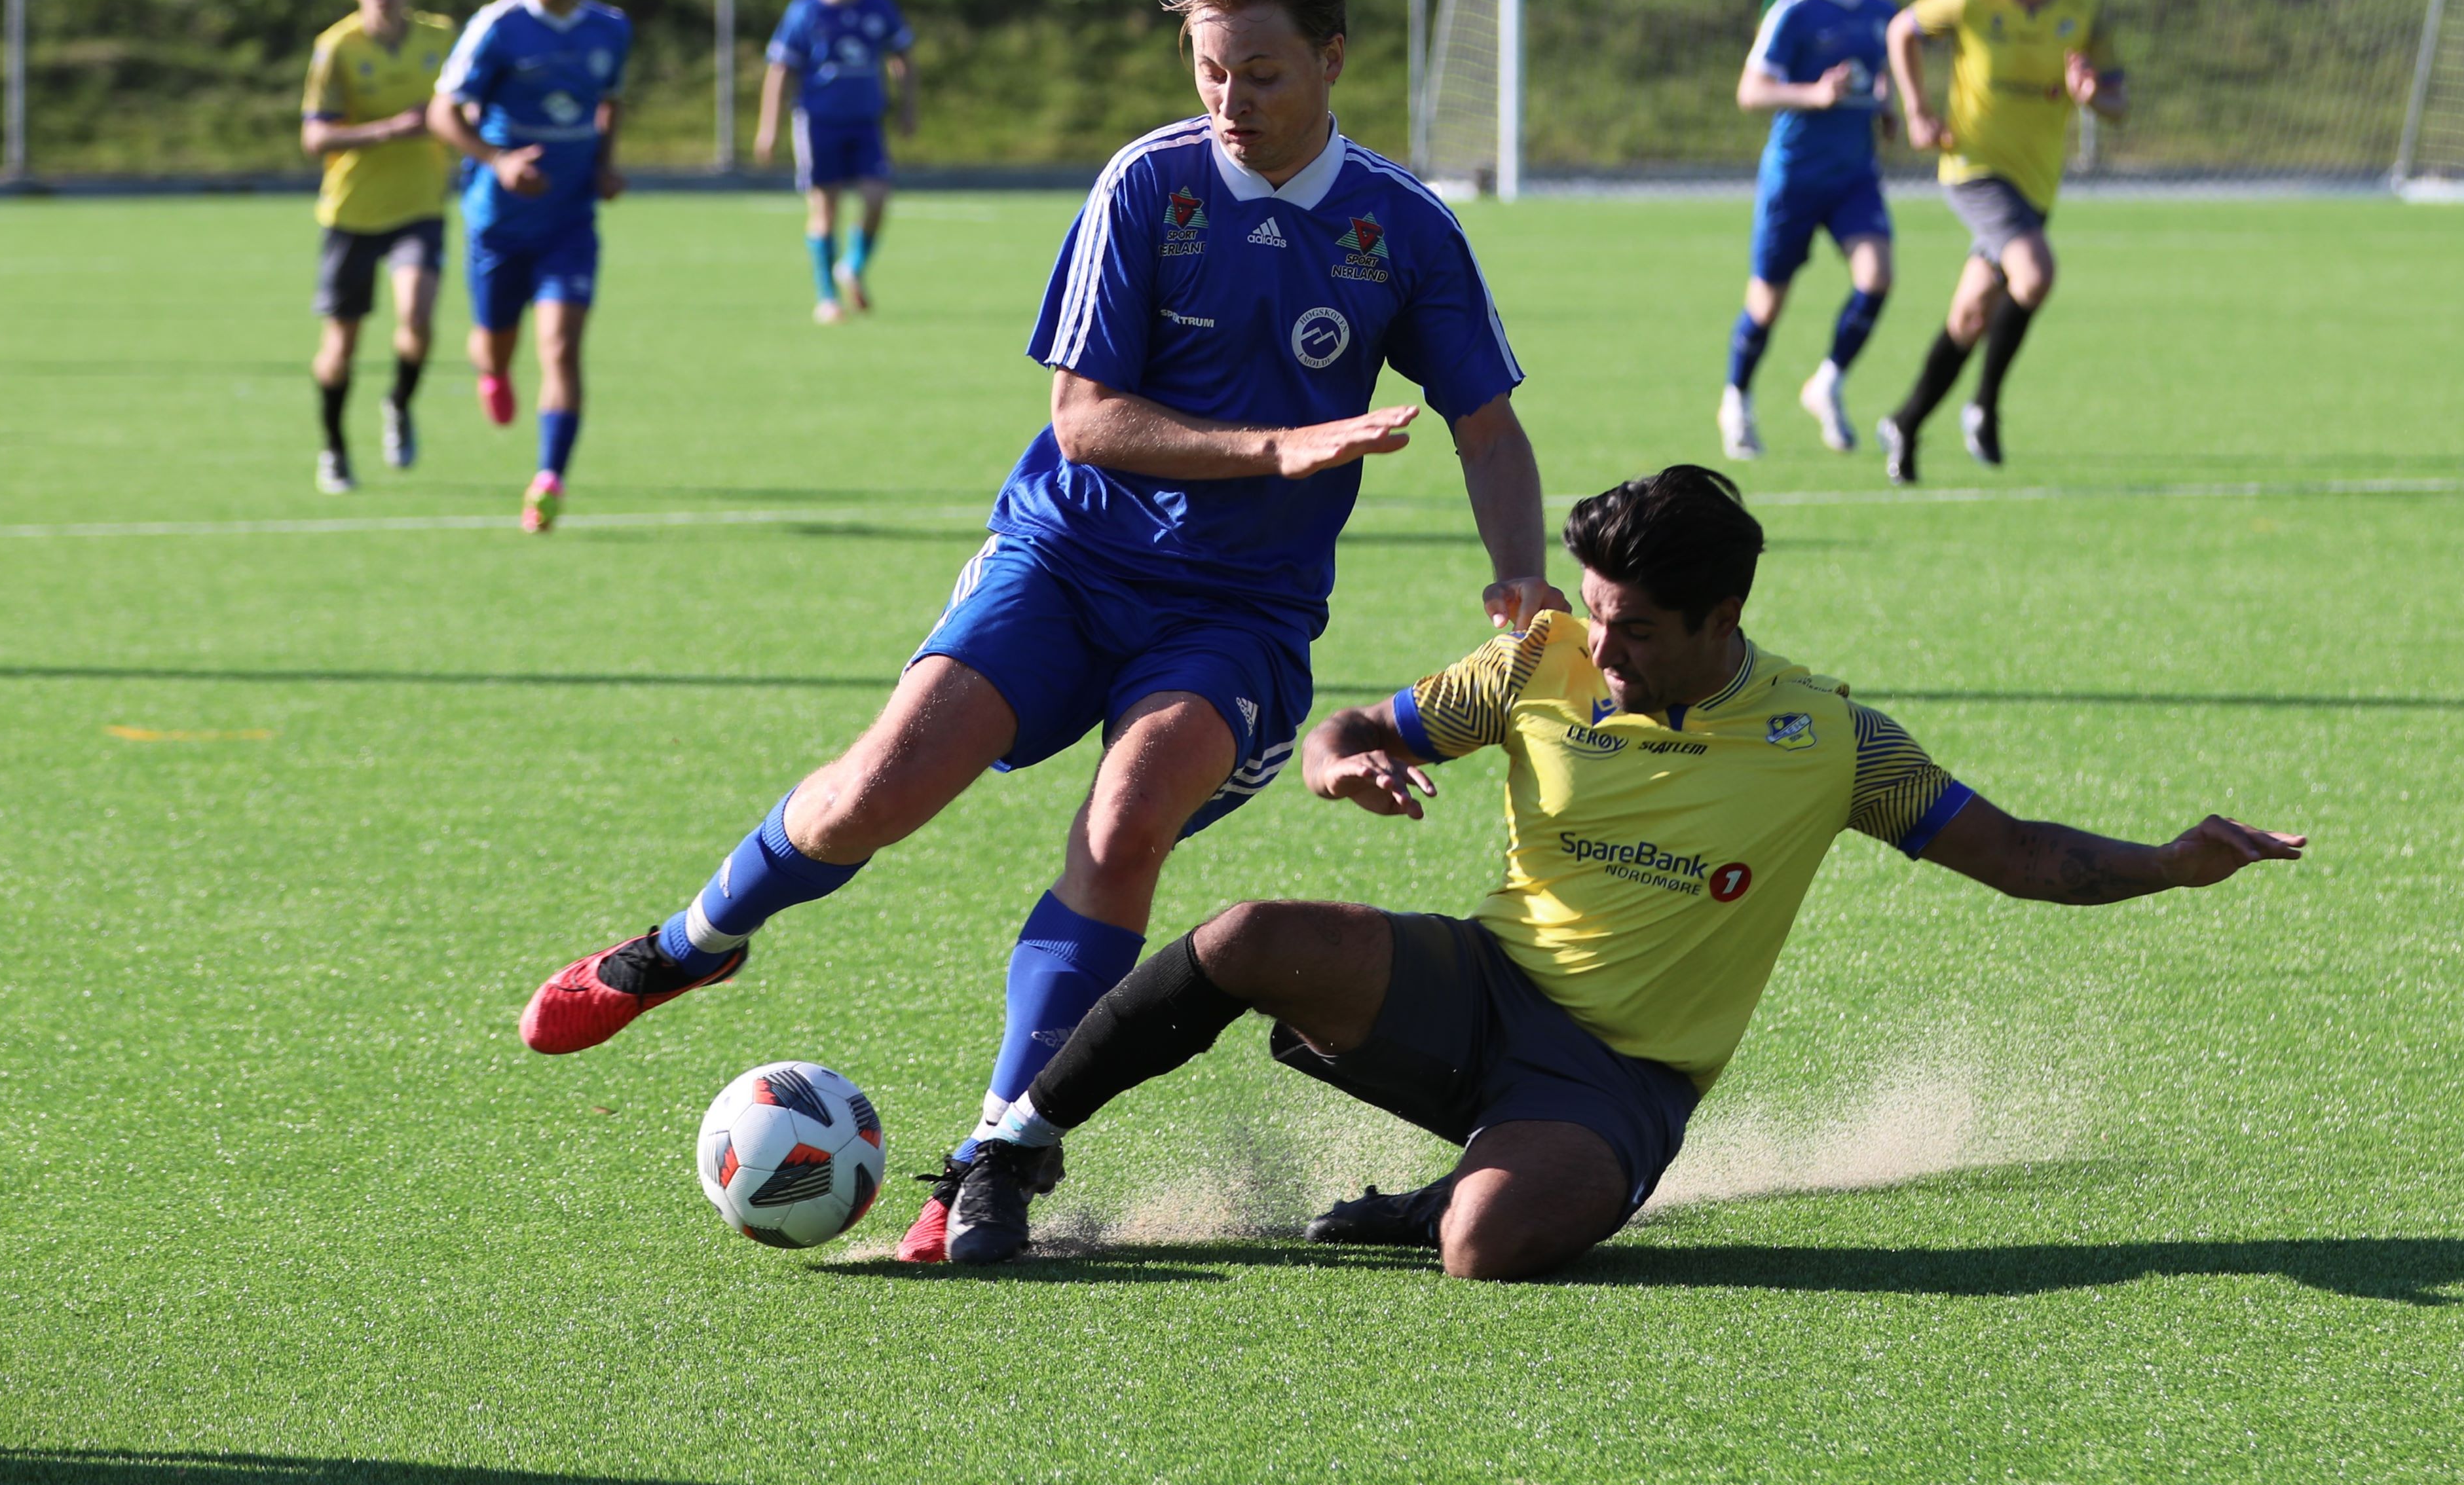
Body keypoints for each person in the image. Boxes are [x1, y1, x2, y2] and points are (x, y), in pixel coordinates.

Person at [513, 0, 1563, 1266]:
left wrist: (1518, 570)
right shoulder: (1148, 185)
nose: (1230, 98)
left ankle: (999, 1151)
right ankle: (691, 942)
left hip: (1236, 614)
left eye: (1260, 72)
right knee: (871, 791)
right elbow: (1086, 420)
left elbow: (1487, 425)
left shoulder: (1401, 226)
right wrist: (1275, 446)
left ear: (1333, 60)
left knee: (1126, 823)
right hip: (1066, 555)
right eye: (1209, 69)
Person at [935, 465, 2304, 1273]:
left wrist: (2169, 864)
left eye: (1634, 626)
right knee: (1245, 933)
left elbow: (2020, 855)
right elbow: (1359, 723)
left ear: (1723, 616)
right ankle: (1010, 1147)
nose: (1601, 645)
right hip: (1480, 985)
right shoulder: (1542, 657)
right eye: (1594, 612)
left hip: (1619, 1076)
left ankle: (1447, 1194)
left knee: (1483, 1248)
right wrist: (1338, 762)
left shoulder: (1830, 738)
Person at [1876, 0, 2125, 485]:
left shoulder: (2082, 13)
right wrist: (1917, 110)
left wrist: (2094, 96)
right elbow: (1902, 30)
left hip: (2035, 184)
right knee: (2035, 274)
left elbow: (2119, 101)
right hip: (1973, 169)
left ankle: (1905, 422)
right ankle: (1985, 406)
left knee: (1970, 316)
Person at [430, 0, 631, 534]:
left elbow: (609, 100)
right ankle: (491, 372)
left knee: (561, 348)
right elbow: (442, 112)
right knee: (495, 346)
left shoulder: (610, 28)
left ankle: (549, 478)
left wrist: (604, 164)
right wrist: (498, 161)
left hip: (569, 223)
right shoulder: (498, 27)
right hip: (499, 223)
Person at [1720, 0, 1897, 461]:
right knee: (1767, 304)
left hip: (1853, 178)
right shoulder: (1794, 12)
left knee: (1877, 276)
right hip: (1795, 178)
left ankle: (1827, 383)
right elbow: (1751, 90)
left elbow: (1883, 77)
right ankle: (1737, 400)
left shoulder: (1883, 13)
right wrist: (1814, 95)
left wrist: (1888, 108)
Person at [297, 0, 457, 494]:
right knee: (341, 348)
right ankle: (335, 446)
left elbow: (467, 106)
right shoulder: (337, 48)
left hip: (420, 204)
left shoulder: (442, 38)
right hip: (353, 211)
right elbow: (315, 138)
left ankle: (399, 402)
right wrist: (391, 129)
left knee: (417, 319)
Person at [753, 0, 917, 323]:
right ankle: (827, 297)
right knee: (825, 209)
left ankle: (852, 266)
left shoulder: (878, 8)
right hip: (818, 122)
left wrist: (908, 107)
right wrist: (769, 128)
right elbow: (780, 70)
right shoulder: (805, 11)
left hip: (865, 122)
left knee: (877, 198)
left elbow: (902, 56)